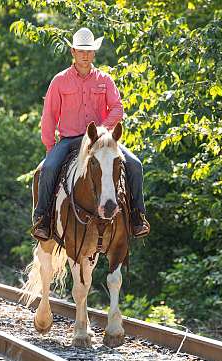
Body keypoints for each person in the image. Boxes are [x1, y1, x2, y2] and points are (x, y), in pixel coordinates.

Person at [31, 27, 150, 241]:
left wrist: (102, 131)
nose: (85, 55)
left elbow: (117, 108)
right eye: (81, 51)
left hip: (100, 142)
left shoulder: (105, 80)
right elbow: (49, 114)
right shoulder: (59, 81)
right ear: (73, 52)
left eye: (89, 51)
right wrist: (50, 148)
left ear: (94, 53)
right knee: (47, 168)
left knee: (135, 164)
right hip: (70, 140)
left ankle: (136, 217)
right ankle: (43, 219)